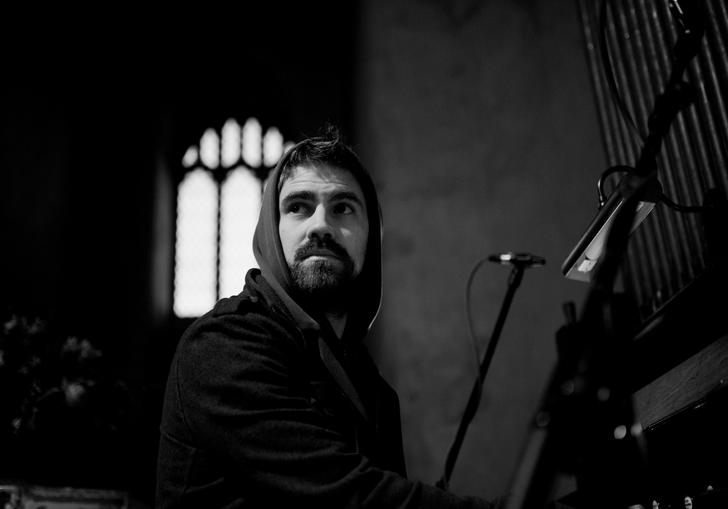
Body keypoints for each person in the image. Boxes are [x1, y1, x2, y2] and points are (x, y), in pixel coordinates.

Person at [156, 129, 495, 508]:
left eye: (343, 208)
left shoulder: (369, 384)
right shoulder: (223, 345)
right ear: (272, 230)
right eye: (298, 206)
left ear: (372, 237)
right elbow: (349, 497)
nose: (320, 225)